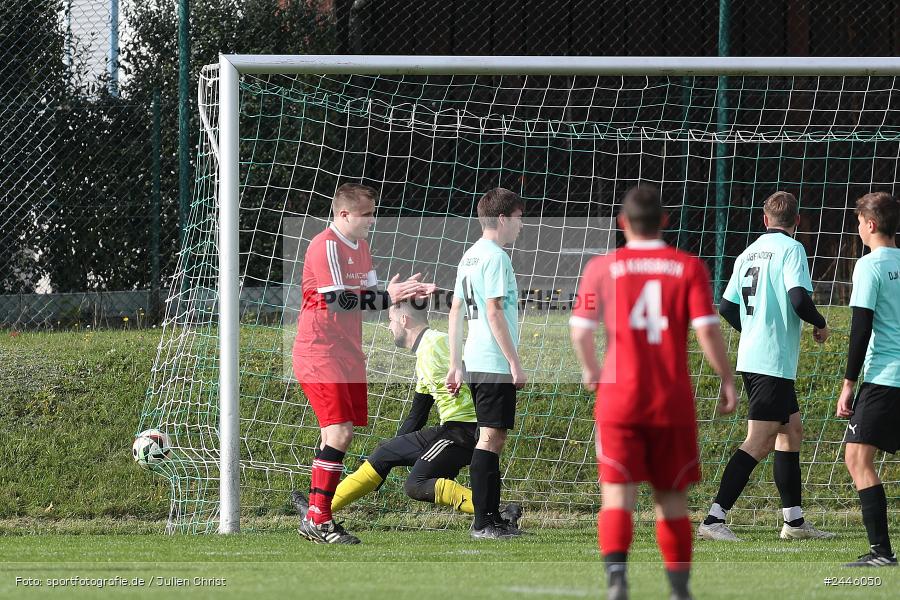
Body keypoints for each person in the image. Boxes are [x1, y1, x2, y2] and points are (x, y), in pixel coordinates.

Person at [569, 185, 737, 600]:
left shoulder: (600, 269)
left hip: (619, 400)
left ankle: (617, 584)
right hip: (670, 401)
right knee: (671, 499)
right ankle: (679, 590)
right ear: (664, 221)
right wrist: (727, 379)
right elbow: (706, 329)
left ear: (622, 224)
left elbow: (579, 328)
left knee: (616, 496)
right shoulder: (688, 267)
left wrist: (591, 368)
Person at [290, 301, 522, 527]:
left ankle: (497, 512)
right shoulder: (423, 355)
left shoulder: (438, 343)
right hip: (451, 428)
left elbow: (475, 372)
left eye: (390, 320)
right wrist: (395, 446)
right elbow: (417, 414)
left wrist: (485, 419)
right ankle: (318, 510)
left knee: (416, 485)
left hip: (466, 430)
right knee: (384, 453)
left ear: (404, 319)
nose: (389, 327)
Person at [292, 183, 434, 544]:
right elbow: (340, 300)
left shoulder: (363, 248)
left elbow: (371, 302)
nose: (373, 220)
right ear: (343, 215)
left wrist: (402, 296)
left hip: (346, 353)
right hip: (319, 351)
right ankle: (320, 519)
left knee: (334, 434)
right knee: (340, 433)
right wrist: (388, 294)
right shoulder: (325, 245)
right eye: (367, 214)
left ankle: (313, 513)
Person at [698, 191, 834, 542]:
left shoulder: (747, 253)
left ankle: (794, 522)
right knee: (759, 441)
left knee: (791, 432)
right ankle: (714, 518)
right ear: (797, 221)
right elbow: (799, 298)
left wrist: (755, 329)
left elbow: (727, 308)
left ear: (764, 219)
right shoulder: (792, 249)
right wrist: (820, 323)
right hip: (770, 361)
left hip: (758, 356)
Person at [446, 187, 527, 540]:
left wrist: (455, 363)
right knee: (491, 438)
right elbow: (493, 311)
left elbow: (455, 311)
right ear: (503, 219)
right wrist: (514, 361)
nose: (521, 227)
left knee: (491, 438)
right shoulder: (496, 257)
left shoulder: (469, 257)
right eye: (519, 219)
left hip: (475, 357)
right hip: (493, 359)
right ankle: (483, 523)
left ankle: (491, 519)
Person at [836, 192, 900, 567]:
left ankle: (881, 552)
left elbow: (860, 329)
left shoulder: (869, 266)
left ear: (871, 225)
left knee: (857, 457)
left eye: (860, 221)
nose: (858, 228)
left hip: (885, 377)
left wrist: (849, 384)